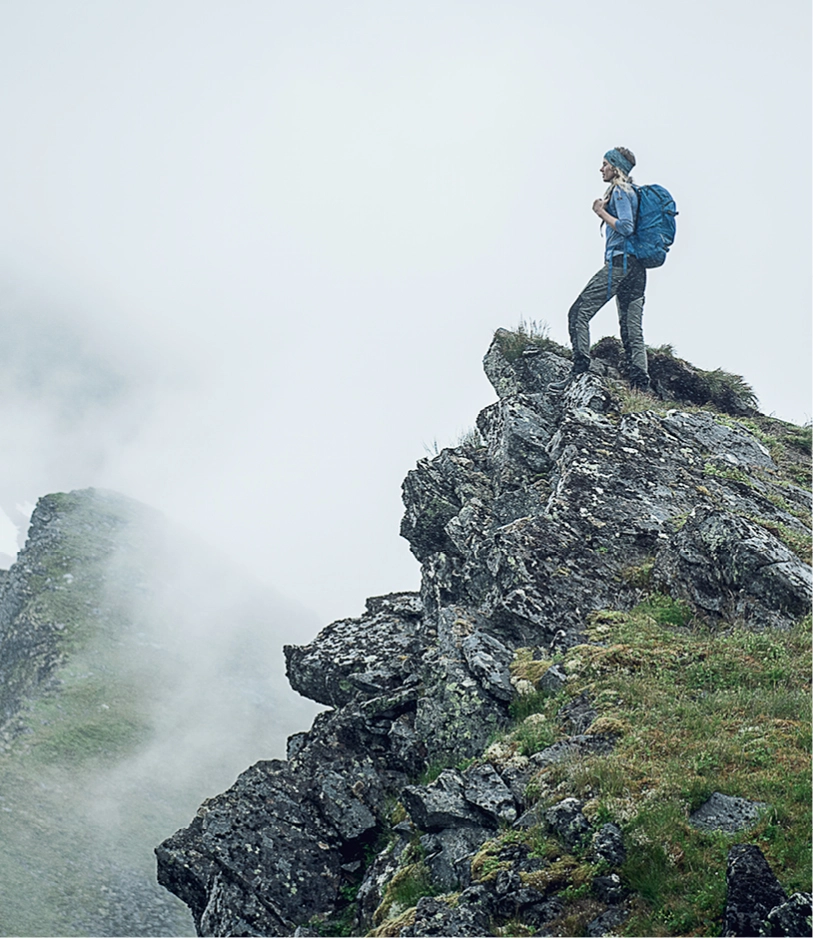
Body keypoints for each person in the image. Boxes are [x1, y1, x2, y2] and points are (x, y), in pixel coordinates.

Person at [551, 146, 650, 391]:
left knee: (578, 313)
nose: (601, 168)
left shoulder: (620, 191)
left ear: (615, 167)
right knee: (631, 330)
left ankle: (579, 373)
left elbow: (626, 227)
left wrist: (600, 212)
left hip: (620, 264)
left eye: (605, 163)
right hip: (637, 269)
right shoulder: (634, 193)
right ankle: (641, 386)